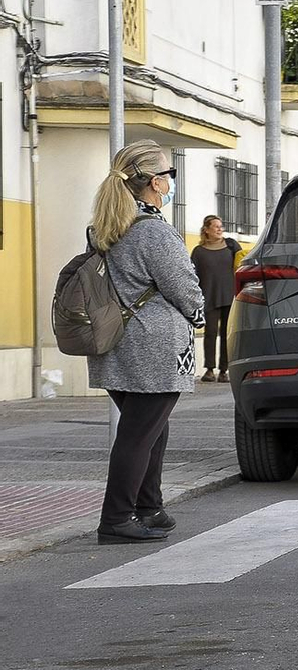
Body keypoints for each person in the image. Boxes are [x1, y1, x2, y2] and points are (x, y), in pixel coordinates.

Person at [86, 140, 206, 544]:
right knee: (139, 434)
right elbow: (184, 287)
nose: (171, 182)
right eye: (170, 174)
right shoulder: (153, 231)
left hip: (114, 342)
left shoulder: (104, 228)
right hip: (154, 347)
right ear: (156, 182)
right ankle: (117, 518)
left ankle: (149, 507)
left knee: (150, 429)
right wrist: (199, 316)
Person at [190, 215, 241, 382]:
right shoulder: (198, 251)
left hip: (229, 296)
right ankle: (210, 369)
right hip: (208, 297)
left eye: (221, 226)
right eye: (216, 226)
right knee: (210, 333)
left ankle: (224, 370)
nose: (220, 229)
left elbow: (242, 264)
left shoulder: (231, 246)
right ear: (206, 229)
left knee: (227, 334)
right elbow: (192, 275)